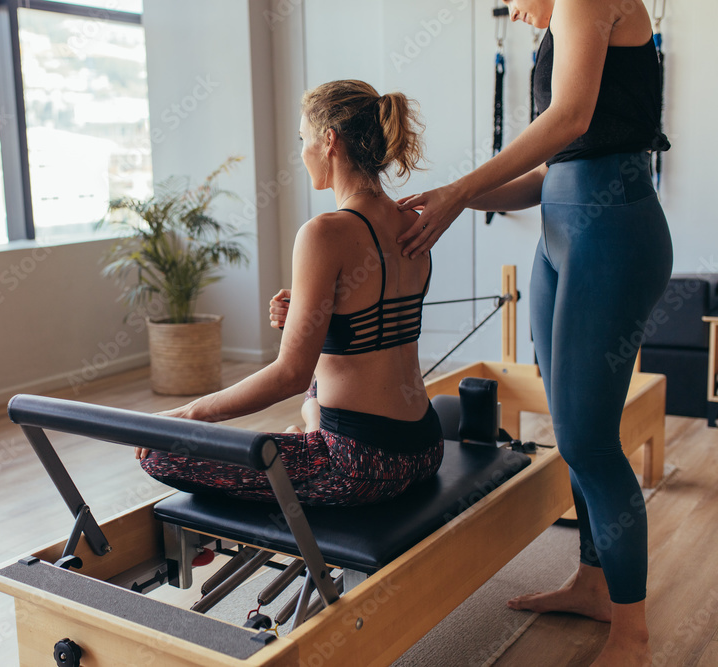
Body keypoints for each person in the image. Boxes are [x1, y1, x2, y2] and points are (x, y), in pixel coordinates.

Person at [394, 1, 671, 664]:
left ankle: (632, 632)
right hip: (562, 231)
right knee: (573, 428)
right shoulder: (558, 26)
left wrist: (463, 188)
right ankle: (593, 581)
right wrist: (454, 200)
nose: (513, 10)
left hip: (613, 235)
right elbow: (557, 167)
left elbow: (568, 121)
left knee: (587, 439)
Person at [136, 79, 443, 507]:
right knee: (315, 396)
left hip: (359, 464)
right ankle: (313, 426)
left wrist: (186, 414)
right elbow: (373, 331)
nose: (301, 153)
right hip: (425, 447)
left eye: (303, 139)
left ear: (329, 140)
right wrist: (312, 313)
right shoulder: (414, 223)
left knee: (163, 456)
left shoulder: (323, 232)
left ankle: (313, 436)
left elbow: (288, 375)